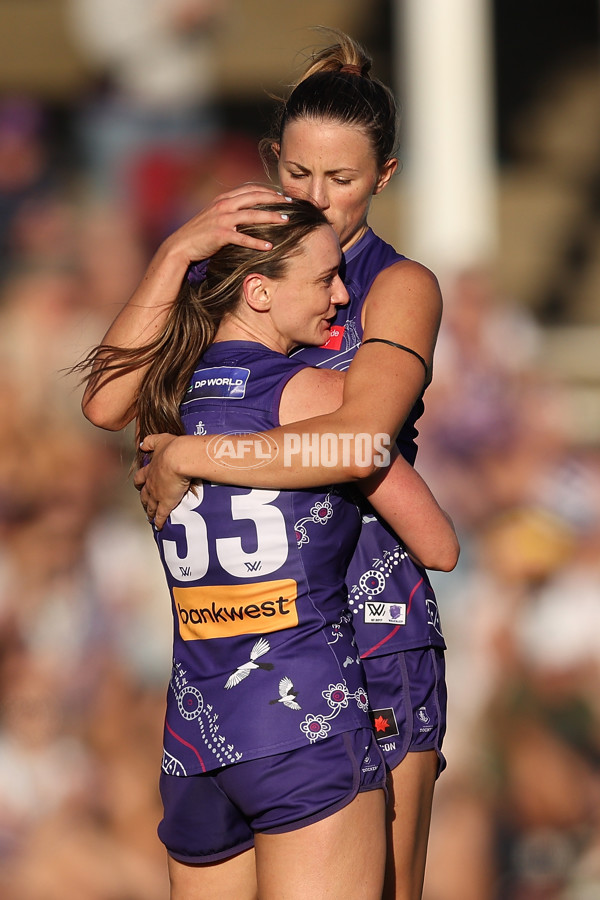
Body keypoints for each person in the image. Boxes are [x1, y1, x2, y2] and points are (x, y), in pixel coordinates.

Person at [83, 31, 453, 900]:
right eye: (296, 175)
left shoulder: (397, 285)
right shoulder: (247, 264)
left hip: (373, 621)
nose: (316, 201)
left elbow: (362, 438)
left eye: (343, 181)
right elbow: (105, 403)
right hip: (254, 640)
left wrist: (191, 452)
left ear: (385, 178)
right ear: (270, 162)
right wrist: (177, 251)